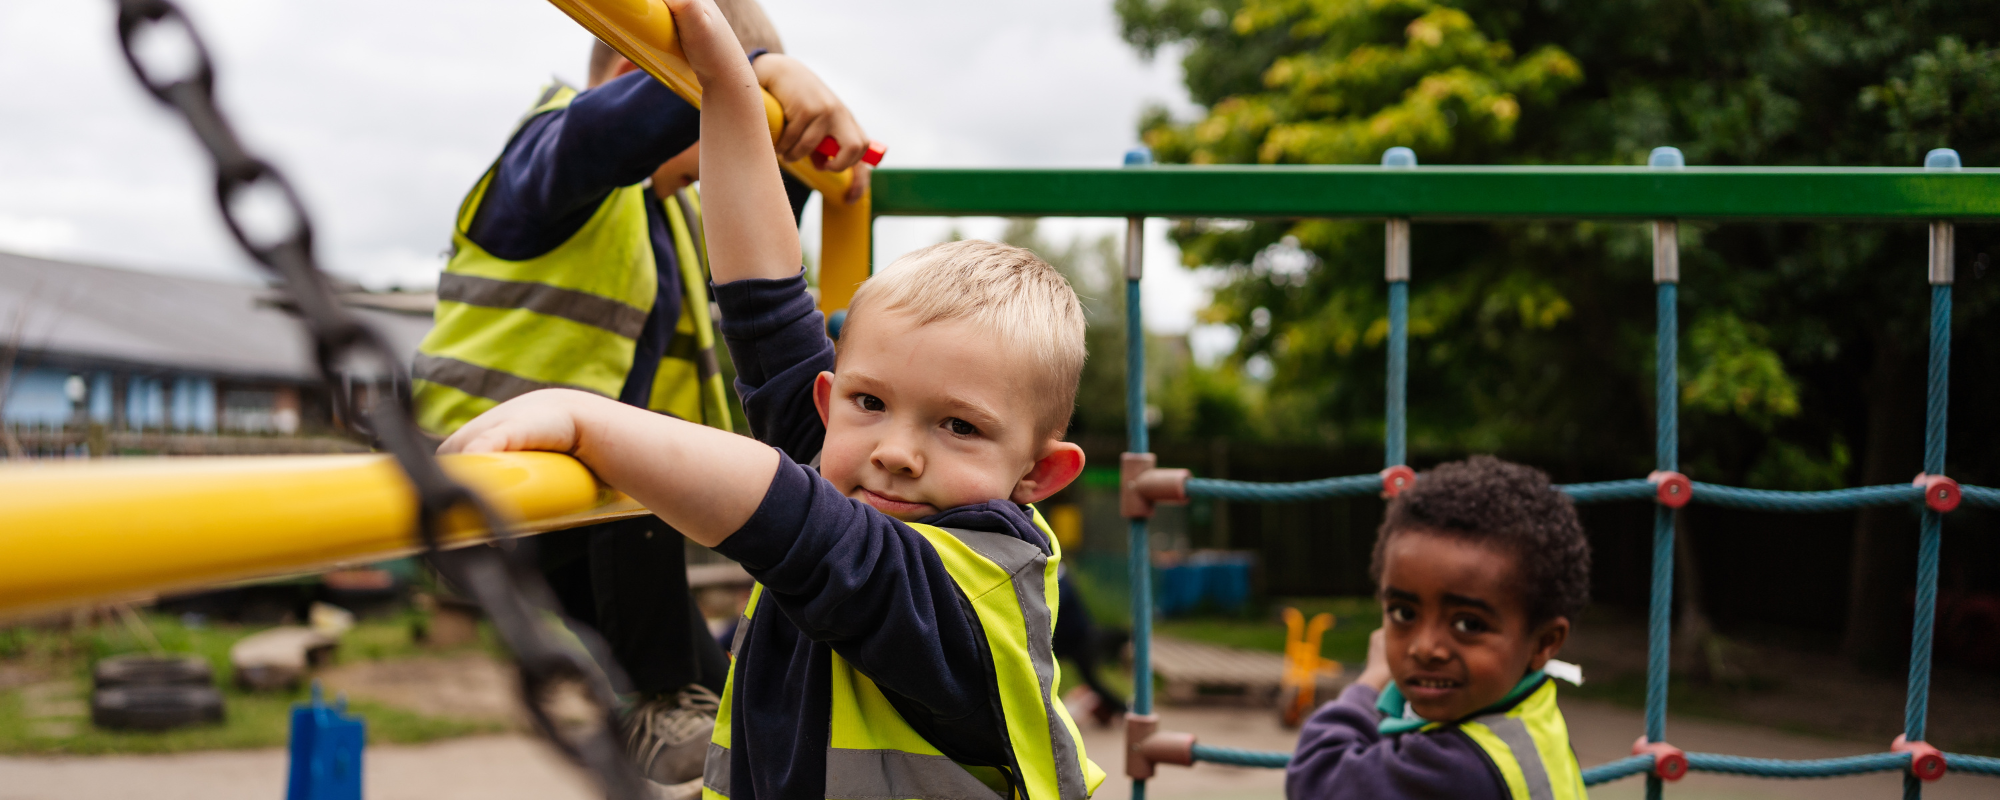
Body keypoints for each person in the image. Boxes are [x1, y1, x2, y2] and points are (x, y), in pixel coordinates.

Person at [437, 1, 1108, 797]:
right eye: (868, 403)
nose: (895, 448)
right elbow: (765, 305)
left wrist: (589, 419)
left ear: (1039, 475)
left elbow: (800, 522)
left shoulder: (976, 584)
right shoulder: (852, 465)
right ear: (830, 401)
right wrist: (726, 83)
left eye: (959, 426)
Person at [406, 0, 874, 792]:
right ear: (638, 75)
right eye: (713, 137)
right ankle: (660, 698)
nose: (709, 173)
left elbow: (751, 248)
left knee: (718, 692)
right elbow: (601, 136)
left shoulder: (664, 214)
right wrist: (753, 73)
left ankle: (674, 700)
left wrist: (817, 176)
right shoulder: (545, 163)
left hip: (592, 517)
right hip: (483, 470)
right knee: (642, 473)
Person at [1286, 456, 1592, 800]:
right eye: (1403, 614)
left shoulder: (1456, 768)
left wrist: (1369, 685)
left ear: (1543, 644)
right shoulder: (1533, 714)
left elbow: (1317, 779)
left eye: (1468, 624)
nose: (1425, 648)